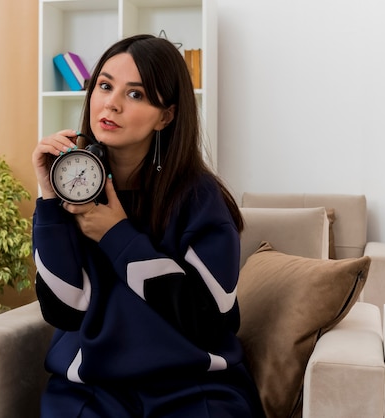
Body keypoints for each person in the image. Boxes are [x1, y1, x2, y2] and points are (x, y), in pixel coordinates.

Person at [31, 34, 264, 418]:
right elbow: (64, 311)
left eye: (135, 94)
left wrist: (116, 236)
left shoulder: (198, 197)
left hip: (192, 387)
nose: (111, 103)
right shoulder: (73, 193)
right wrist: (48, 197)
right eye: (104, 86)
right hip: (93, 391)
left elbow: (213, 319)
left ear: (166, 116)